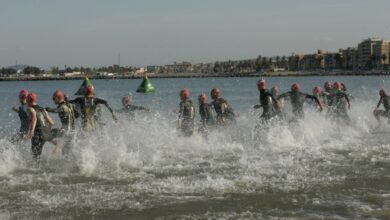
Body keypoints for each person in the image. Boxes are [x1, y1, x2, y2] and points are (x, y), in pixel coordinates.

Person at [25, 92, 58, 162]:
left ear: (28, 100)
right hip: (45, 133)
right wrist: (47, 130)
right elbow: (51, 122)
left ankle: (36, 169)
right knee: (38, 152)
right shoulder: (42, 109)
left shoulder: (30, 109)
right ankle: (57, 144)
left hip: (37, 133)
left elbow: (34, 119)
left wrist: (31, 132)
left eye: (26, 99)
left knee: (35, 154)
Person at [45, 90, 77, 155]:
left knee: (46, 135)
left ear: (58, 98)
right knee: (66, 152)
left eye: (54, 98)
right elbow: (77, 114)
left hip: (65, 132)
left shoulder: (62, 107)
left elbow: (56, 110)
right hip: (73, 132)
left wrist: (46, 109)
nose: (53, 100)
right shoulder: (70, 105)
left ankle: (58, 145)